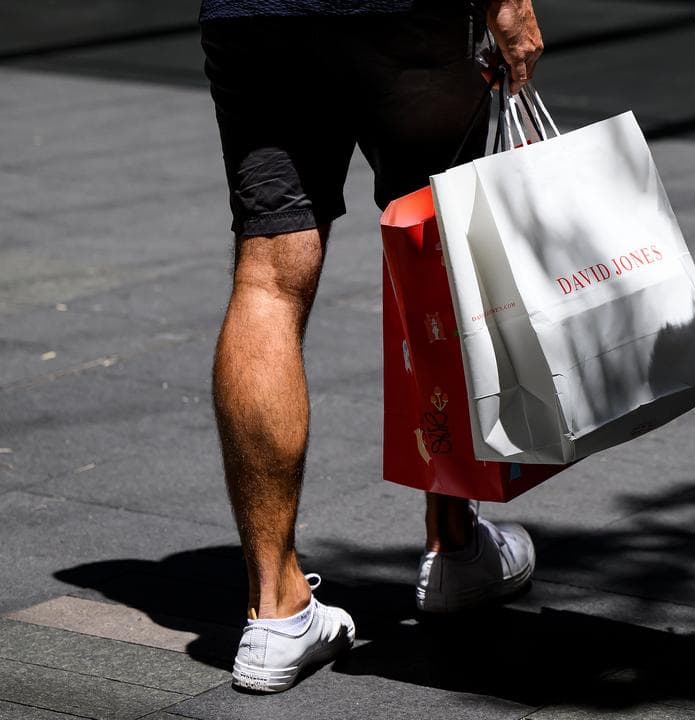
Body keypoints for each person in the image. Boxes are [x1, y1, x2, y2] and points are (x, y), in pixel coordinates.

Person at [199, 0, 544, 692]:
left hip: (257, 15)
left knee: (268, 279)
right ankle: (453, 546)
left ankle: (274, 612)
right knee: (438, 241)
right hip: (405, 14)